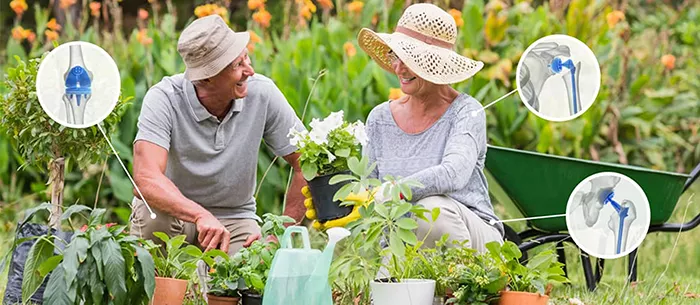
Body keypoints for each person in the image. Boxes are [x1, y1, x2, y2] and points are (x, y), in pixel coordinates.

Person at [129, 14, 307, 255]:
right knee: (151, 218)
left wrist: (279, 233)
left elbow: (306, 161)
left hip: (234, 218)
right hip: (173, 215)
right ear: (208, 77)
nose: (250, 71)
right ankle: (159, 289)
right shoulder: (164, 98)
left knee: (252, 271)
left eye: (246, 58)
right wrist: (199, 214)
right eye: (237, 65)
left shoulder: (262, 94)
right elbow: (145, 178)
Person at [356, 3, 504, 253]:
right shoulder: (379, 118)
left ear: (434, 61)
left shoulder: (467, 112)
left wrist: (395, 191)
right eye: (395, 56)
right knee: (386, 282)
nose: (399, 68)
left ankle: (461, 289)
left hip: (474, 237)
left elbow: (453, 173)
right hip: (404, 241)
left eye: (409, 59)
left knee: (431, 210)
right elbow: (369, 192)